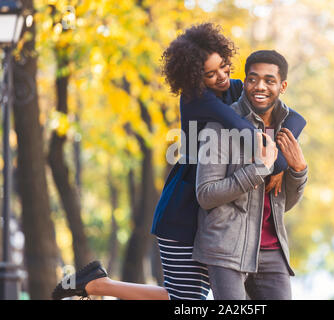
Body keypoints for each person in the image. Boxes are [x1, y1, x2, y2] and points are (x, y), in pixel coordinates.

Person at [52, 23, 305, 300]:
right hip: (185, 212)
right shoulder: (199, 100)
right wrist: (277, 164)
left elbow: (294, 117)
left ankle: (99, 284)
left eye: (224, 66)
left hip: (218, 216)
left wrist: (281, 160)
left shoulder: (234, 89)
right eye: (210, 74)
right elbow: (252, 138)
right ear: (195, 77)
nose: (222, 77)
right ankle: (99, 286)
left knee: (184, 298)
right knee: (186, 300)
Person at [193, 50, 308, 300]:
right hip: (226, 250)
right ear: (244, 81)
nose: (260, 87)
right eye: (252, 79)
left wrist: (298, 171)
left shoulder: (287, 131)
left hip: (273, 251)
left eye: (269, 80)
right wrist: (259, 170)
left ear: (282, 85)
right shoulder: (220, 127)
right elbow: (206, 195)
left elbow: (284, 203)